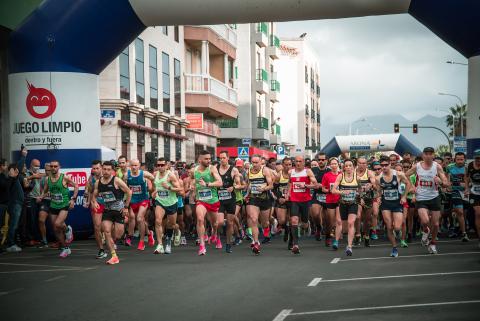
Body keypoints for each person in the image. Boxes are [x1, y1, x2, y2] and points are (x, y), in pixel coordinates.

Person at [405, 147, 449, 254]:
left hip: (434, 197)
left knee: (436, 224)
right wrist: (411, 187)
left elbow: (446, 183)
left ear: (433, 155)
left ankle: (433, 243)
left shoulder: (437, 166)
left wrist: (441, 182)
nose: (428, 156)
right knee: (425, 221)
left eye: (430, 154)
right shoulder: (417, 166)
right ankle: (425, 231)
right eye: (426, 154)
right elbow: (405, 175)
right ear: (423, 155)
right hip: (421, 197)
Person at [92, 161, 132, 264]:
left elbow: (128, 192)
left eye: (108, 169)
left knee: (118, 235)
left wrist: (126, 207)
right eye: (104, 169)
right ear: (102, 169)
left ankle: (115, 242)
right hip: (108, 210)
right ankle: (114, 256)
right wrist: (94, 202)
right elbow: (94, 195)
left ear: (112, 171)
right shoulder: (98, 182)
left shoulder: (116, 180)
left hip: (119, 210)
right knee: (106, 231)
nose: (106, 171)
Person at [40, 160, 79, 258]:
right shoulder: (48, 179)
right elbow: (45, 190)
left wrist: (73, 199)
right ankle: (66, 248)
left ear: (59, 167)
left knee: (58, 224)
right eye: (52, 166)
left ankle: (67, 230)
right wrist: (41, 196)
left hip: (64, 204)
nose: (53, 168)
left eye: (55, 166)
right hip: (53, 205)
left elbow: (76, 186)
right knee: (55, 228)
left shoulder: (64, 177)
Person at [376, 156, 411, 257]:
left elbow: (408, 184)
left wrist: (404, 196)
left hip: (397, 203)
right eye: (382, 165)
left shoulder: (398, 174)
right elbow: (378, 191)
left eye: (386, 165)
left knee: (397, 227)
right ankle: (394, 248)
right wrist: (378, 197)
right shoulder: (378, 178)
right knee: (389, 226)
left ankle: (398, 233)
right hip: (385, 204)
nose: (384, 167)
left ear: (390, 165)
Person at [190, 150, 223, 256]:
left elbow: (220, 182)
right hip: (201, 200)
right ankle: (202, 245)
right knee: (200, 219)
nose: (209, 160)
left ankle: (216, 235)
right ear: (200, 160)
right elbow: (193, 180)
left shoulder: (212, 168)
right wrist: (193, 188)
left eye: (209, 158)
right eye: (206, 159)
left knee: (215, 224)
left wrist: (207, 184)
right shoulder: (193, 170)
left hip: (213, 200)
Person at [286, 156, 317, 254]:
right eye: (296, 161)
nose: (298, 163)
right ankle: (295, 245)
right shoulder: (291, 172)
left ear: (303, 162)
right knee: (294, 220)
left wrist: (306, 185)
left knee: (303, 223)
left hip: (305, 200)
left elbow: (315, 184)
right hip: (294, 200)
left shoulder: (308, 171)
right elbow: (290, 183)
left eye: (300, 161)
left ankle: (307, 225)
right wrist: (287, 193)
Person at [152, 157, 183, 254]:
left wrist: (169, 187)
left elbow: (180, 189)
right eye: (158, 165)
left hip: (171, 203)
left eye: (162, 165)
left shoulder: (171, 176)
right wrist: (154, 192)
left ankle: (176, 232)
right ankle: (160, 245)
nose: (160, 167)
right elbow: (156, 186)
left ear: (166, 166)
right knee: (158, 221)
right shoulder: (155, 174)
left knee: (172, 224)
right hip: (160, 201)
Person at [246, 154, 274, 255]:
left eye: (256, 162)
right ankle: (256, 242)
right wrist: (247, 193)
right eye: (253, 162)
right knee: (253, 219)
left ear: (260, 162)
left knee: (265, 222)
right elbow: (248, 184)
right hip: (254, 198)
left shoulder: (265, 170)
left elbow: (271, 185)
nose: (254, 164)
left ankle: (267, 228)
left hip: (265, 199)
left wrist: (263, 188)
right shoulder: (248, 171)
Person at [125, 159, 155, 250]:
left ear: (139, 166)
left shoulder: (144, 174)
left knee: (139, 218)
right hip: (132, 200)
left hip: (143, 200)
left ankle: (141, 241)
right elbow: (122, 186)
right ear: (130, 166)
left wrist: (154, 190)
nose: (134, 167)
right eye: (132, 165)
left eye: (136, 165)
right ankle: (149, 234)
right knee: (133, 219)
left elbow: (154, 180)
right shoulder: (127, 175)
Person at [332, 159, 359, 256]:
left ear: (353, 167)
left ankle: (349, 246)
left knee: (351, 223)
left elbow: (361, 190)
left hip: (353, 203)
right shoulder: (340, 176)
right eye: (346, 166)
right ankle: (336, 240)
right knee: (341, 225)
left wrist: (361, 193)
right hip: (342, 203)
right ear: (344, 167)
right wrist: (342, 192)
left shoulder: (357, 177)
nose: (348, 167)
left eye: (350, 165)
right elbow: (333, 190)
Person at [217, 151, 242, 253]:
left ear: (228, 158)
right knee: (219, 222)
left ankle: (228, 244)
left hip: (230, 199)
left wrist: (234, 187)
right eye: (220, 158)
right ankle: (217, 236)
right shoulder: (215, 169)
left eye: (223, 158)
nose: (222, 159)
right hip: (219, 200)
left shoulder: (234, 170)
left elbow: (239, 184)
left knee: (230, 223)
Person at [85, 160, 107, 259]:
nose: (95, 170)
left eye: (97, 168)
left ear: (101, 168)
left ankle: (110, 240)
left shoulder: (107, 176)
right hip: (97, 204)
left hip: (109, 204)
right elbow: (89, 191)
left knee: (110, 228)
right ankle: (101, 250)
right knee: (97, 227)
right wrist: (89, 202)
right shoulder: (91, 179)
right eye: (94, 168)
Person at [445, 152, 469, 242]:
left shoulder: (467, 168)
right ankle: (464, 233)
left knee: (465, 213)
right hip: (455, 191)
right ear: (455, 159)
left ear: (464, 159)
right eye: (458, 159)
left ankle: (461, 227)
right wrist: (448, 185)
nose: (459, 161)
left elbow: (472, 180)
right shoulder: (450, 167)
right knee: (459, 211)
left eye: (461, 159)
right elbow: (446, 176)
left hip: (467, 192)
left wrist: (467, 185)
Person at [355, 156, 376, 247]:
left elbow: (375, 184)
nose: (362, 165)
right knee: (358, 216)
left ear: (366, 164)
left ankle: (366, 235)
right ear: (357, 164)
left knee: (367, 220)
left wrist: (371, 185)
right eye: (360, 163)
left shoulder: (369, 173)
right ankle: (358, 235)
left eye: (364, 163)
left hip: (368, 198)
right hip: (357, 197)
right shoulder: (353, 173)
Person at [321, 158, 341, 247]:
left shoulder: (342, 175)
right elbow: (323, 188)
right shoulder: (326, 175)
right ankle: (328, 236)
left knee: (338, 220)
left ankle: (336, 241)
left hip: (340, 200)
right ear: (329, 165)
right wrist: (329, 190)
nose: (333, 165)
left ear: (338, 164)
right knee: (330, 221)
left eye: (335, 163)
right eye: (332, 164)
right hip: (330, 200)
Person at [311, 153, 330, 242]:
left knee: (328, 219)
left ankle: (327, 236)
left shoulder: (330, 171)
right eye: (319, 160)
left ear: (326, 160)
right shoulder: (313, 170)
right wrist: (314, 185)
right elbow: (308, 181)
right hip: (317, 195)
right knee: (315, 214)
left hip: (328, 196)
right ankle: (318, 228)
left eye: (323, 160)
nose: (321, 161)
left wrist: (322, 186)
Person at [273, 158, 292, 246]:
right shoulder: (278, 175)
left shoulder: (294, 174)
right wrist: (278, 198)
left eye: (290, 165)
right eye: (286, 165)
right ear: (282, 165)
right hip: (281, 200)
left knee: (292, 221)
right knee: (282, 221)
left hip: (292, 200)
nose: (288, 166)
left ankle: (291, 241)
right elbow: (273, 189)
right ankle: (286, 229)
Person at [465, 149, 480, 248]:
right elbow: (466, 177)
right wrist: (467, 188)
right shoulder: (470, 165)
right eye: (477, 158)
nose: (479, 161)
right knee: (478, 213)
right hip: (474, 191)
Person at [37, 163, 52, 248]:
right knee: (41, 220)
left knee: (55, 224)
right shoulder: (43, 179)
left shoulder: (55, 178)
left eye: (48, 170)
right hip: (45, 202)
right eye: (45, 170)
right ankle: (44, 240)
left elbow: (51, 192)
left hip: (54, 202)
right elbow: (41, 191)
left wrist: (42, 195)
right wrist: (41, 196)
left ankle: (61, 241)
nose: (47, 172)